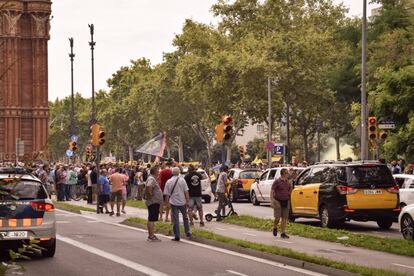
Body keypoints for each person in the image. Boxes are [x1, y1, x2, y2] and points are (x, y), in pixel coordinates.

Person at [164, 167, 191, 241]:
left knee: (175, 219)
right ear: (179, 172)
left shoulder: (169, 181)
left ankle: (177, 235)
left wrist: (167, 203)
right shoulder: (182, 180)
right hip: (182, 201)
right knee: (185, 217)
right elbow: (186, 192)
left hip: (173, 202)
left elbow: (167, 194)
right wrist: (187, 201)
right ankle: (187, 231)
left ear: (172, 173)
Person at [271, 168, 291, 239]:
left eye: (287, 173)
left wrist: (289, 200)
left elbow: (289, 191)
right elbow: (272, 190)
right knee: (277, 218)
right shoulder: (277, 181)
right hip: (277, 201)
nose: (287, 174)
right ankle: (275, 227)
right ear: (282, 174)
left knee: (284, 218)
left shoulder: (288, 182)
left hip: (285, 201)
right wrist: (272, 200)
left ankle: (283, 233)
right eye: (286, 173)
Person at [144, 167, 163, 242]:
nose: (159, 172)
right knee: (152, 219)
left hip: (153, 201)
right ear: (155, 172)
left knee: (151, 218)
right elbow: (149, 186)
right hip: (153, 202)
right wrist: (151, 194)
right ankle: (151, 236)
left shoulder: (152, 178)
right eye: (158, 171)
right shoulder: (151, 179)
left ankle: (151, 235)